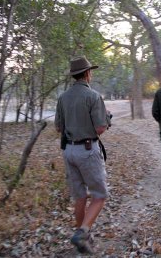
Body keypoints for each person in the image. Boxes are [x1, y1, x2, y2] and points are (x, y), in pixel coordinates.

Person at [54, 56, 111, 254]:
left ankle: (83, 240)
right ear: (87, 74)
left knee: (80, 196)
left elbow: (59, 128)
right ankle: (83, 232)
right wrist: (106, 120)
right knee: (100, 196)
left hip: (69, 150)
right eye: (90, 72)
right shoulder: (93, 96)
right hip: (87, 150)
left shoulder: (63, 97)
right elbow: (101, 128)